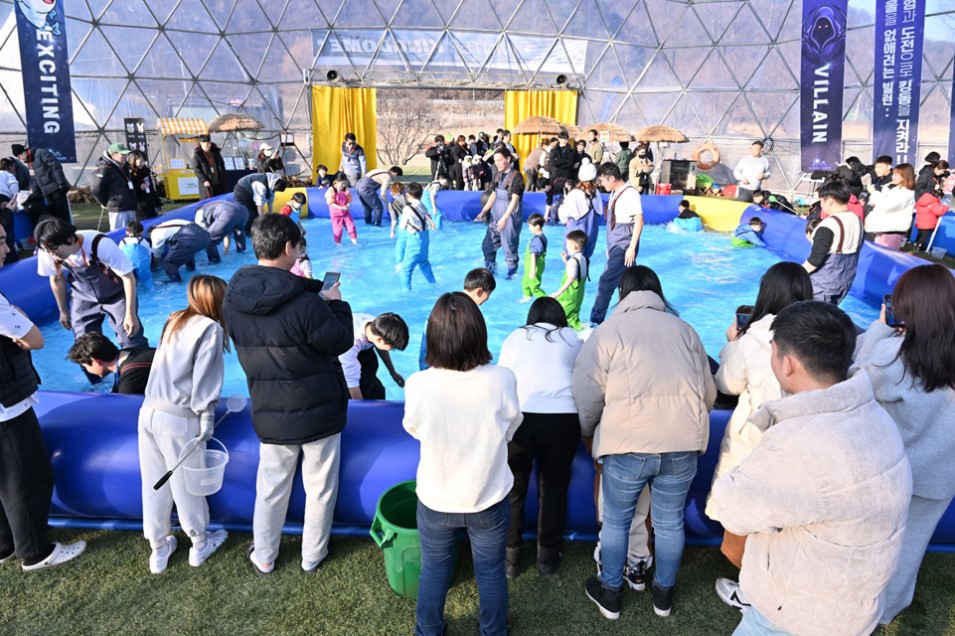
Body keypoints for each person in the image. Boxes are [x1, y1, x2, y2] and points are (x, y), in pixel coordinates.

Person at [709, 301, 912, 636]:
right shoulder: (875, 417)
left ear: (787, 364)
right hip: (853, 605)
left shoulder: (798, 443)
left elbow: (733, 509)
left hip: (797, 614)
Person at [574, 265, 716, 620]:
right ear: (657, 291)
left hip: (627, 445)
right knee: (669, 523)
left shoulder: (608, 331)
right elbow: (708, 394)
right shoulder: (686, 330)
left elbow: (587, 393)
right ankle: (663, 596)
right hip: (682, 445)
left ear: (622, 294)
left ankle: (610, 593)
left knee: (617, 520)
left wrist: (589, 432)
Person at [223, 214, 354, 575]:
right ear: (288, 248)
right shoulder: (307, 306)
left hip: (268, 410)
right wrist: (336, 303)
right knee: (320, 487)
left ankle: (264, 555)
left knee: (270, 487)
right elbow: (340, 341)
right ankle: (312, 555)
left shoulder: (234, 296)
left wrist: (315, 292)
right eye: (300, 245)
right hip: (318, 411)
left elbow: (280, 295)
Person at [403, 292, 522, 636]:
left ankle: (427, 630)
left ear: (434, 338)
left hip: (436, 498)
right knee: (490, 572)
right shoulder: (502, 379)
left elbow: (413, 428)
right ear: (479, 333)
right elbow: (511, 427)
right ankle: (493, 631)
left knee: (434, 572)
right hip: (489, 496)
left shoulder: (419, 384)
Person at [850, 265, 955, 626]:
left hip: (891, 471)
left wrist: (879, 327)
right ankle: (887, 610)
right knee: (910, 548)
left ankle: (857, 609)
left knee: (871, 545)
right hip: (941, 475)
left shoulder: (891, 356)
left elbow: (853, 380)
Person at [705, 262, 814, 612]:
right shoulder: (822, 334)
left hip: (755, 447)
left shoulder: (755, 340)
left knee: (740, 528)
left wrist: (731, 344)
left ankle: (755, 594)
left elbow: (725, 384)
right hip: (807, 445)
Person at [0, 224, 87, 571]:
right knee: (27, 477)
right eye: (2, 242)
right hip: (7, 405)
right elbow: (35, 338)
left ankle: (5, 544)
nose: (7, 250)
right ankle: (36, 552)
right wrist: (20, 322)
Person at [138, 275, 230, 573]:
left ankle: (158, 548)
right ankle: (200, 544)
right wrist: (206, 418)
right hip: (178, 419)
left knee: (153, 484)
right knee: (186, 485)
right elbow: (205, 378)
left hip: (148, 411)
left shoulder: (175, 319)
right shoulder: (210, 328)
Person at [498, 296, 582, 578]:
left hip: (520, 418)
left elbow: (502, 378)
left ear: (531, 317)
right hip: (564, 418)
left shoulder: (516, 337)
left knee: (514, 489)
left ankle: (511, 559)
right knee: (555, 489)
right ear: (560, 316)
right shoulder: (573, 338)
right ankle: (547, 559)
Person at [35, 218, 147, 351]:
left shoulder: (100, 243)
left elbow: (128, 277)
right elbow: (56, 279)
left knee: (131, 337)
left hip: (116, 294)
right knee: (84, 345)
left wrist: (131, 313)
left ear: (71, 239)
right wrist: (63, 310)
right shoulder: (48, 251)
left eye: (54, 249)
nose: (51, 254)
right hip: (82, 296)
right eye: (46, 249)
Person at [589, 163, 644, 326]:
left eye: (603, 181)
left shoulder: (629, 193)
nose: (602, 185)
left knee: (605, 281)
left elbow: (639, 219)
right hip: (616, 244)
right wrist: (609, 246)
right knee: (627, 284)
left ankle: (595, 321)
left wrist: (631, 249)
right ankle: (632, 317)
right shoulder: (615, 192)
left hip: (624, 244)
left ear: (612, 178)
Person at [418, 267, 496, 371]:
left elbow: (425, 352)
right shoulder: (471, 316)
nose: (487, 299)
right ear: (479, 291)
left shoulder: (441, 308)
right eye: (488, 295)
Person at [802, 178, 863, 305]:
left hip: (824, 282)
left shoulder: (828, 225)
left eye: (821, 202)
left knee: (812, 316)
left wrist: (796, 274)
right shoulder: (857, 220)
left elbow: (814, 261)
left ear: (829, 201)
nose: (821, 206)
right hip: (846, 278)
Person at [475, 147, 524, 279]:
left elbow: (515, 199)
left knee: (509, 247)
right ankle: (490, 273)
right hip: (496, 214)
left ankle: (512, 274)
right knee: (488, 245)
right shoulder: (497, 174)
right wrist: (484, 210)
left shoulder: (516, 177)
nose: (497, 163)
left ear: (508, 159)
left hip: (510, 215)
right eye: (495, 160)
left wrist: (505, 218)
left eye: (500, 160)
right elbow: (494, 194)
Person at [339, 312, 409, 400]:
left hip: (361, 349)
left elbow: (381, 348)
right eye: (392, 348)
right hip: (338, 354)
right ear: (379, 339)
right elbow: (351, 382)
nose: (391, 350)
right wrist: (362, 410)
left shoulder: (377, 326)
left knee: (376, 391)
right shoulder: (350, 343)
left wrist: (393, 372)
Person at [68, 331, 155, 394]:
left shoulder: (130, 379)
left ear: (96, 361)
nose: (88, 370)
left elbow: (125, 410)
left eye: (86, 366)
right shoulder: (127, 352)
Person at [11, 143, 70, 222]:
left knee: (62, 214)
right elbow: (35, 179)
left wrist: (61, 183)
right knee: (54, 215)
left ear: (24, 152)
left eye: (19, 156)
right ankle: (59, 232)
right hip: (46, 193)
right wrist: (34, 193)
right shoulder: (30, 163)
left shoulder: (41, 153)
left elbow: (55, 166)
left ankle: (68, 233)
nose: (20, 159)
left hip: (56, 188)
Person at [864, 163, 915, 250]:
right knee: (879, 255)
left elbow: (888, 205)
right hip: (883, 228)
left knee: (885, 258)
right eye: (893, 174)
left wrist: (874, 193)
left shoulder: (906, 193)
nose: (893, 177)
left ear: (905, 176)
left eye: (896, 175)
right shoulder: (893, 189)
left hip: (892, 230)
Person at [397, 182, 437, 292]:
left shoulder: (407, 209)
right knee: (424, 262)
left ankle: (406, 292)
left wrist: (399, 258)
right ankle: (433, 284)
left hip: (415, 240)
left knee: (405, 270)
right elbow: (426, 216)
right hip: (425, 238)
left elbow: (402, 227)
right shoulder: (422, 204)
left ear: (408, 194)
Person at [148, 219, 214, 283]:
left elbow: (157, 253)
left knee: (168, 262)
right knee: (187, 251)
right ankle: (191, 269)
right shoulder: (168, 225)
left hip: (190, 237)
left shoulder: (155, 233)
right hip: (205, 236)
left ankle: (175, 281)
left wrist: (156, 266)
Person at [558, 165, 603, 259]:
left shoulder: (575, 193)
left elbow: (564, 214)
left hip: (575, 233)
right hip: (592, 232)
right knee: (584, 262)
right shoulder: (596, 193)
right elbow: (600, 212)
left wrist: (563, 205)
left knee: (571, 263)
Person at [92, 142, 138, 231]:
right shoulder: (105, 169)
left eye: (126, 154)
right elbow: (96, 189)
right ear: (113, 155)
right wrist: (106, 202)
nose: (125, 156)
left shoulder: (124, 167)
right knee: (119, 233)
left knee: (133, 232)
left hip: (130, 206)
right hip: (118, 208)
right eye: (122, 154)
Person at [550, 230, 588, 331]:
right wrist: (565, 261)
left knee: (556, 318)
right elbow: (577, 273)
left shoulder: (573, 261)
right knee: (572, 318)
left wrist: (558, 292)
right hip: (578, 296)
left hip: (569, 297)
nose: (566, 247)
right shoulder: (583, 258)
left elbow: (571, 278)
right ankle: (585, 332)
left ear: (574, 246)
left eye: (568, 244)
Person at [914, 176, 950, 251]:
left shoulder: (923, 200)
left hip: (919, 222)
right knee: (923, 237)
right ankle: (920, 246)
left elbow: (916, 207)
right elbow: (939, 212)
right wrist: (945, 206)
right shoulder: (934, 203)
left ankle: (916, 243)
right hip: (928, 224)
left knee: (920, 234)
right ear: (939, 197)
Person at [520, 214, 548, 302]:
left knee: (534, 286)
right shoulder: (542, 237)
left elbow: (533, 255)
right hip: (533, 266)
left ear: (537, 227)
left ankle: (547, 301)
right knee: (525, 282)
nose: (529, 228)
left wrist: (532, 270)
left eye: (530, 226)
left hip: (534, 266)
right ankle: (527, 297)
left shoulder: (537, 240)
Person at [127, 150, 161, 220]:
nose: (142, 163)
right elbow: (130, 189)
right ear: (133, 161)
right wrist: (139, 187)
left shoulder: (146, 170)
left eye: (143, 161)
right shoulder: (130, 173)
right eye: (140, 161)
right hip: (140, 204)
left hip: (150, 200)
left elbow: (150, 185)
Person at [119, 220, 153, 290]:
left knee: (129, 280)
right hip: (141, 263)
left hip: (128, 264)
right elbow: (149, 253)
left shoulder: (123, 242)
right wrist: (149, 264)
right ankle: (151, 290)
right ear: (142, 231)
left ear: (127, 232)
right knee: (147, 279)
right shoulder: (143, 241)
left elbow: (119, 253)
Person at [191, 134, 227, 200]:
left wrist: (223, 175)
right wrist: (204, 180)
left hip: (218, 183)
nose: (209, 145)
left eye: (210, 143)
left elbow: (222, 165)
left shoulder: (216, 152)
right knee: (208, 204)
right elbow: (196, 169)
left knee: (220, 202)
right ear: (201, 143)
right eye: (207, 144)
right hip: (207, 184)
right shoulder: (198, 155)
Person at [325, 176, 358, 246]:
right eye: (342, 184)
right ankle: (338, 244)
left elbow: (349, 199)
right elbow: (330, 203)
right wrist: (341, 207)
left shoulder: (346, 189)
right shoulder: (331, 190)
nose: (343, 186)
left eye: (345, 183)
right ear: (336, 182)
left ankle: (355, 242)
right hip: (335, 214)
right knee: (338, 231)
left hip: (346, 213)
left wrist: (348, 205)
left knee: (351, 228)